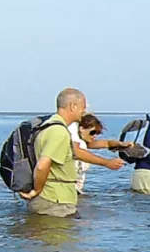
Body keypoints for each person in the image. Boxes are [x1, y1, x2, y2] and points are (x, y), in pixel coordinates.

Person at [19, 88, 87, 217]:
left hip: (50, 198)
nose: (84, 111)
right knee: (59, 235)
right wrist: (36, 191)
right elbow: (42, 165)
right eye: (83, 107)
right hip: (55, 200)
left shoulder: (46, 127)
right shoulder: (59, 132)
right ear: (73, 106)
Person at [69, 113, 126, 196]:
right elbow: (78, 152)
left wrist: (120, 144)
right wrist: (107, 163)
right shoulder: (75, 141)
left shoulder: (82, 141)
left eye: (97, 133)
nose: (95, 136)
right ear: (81, 129)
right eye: (92, 132)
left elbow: (105, 143)